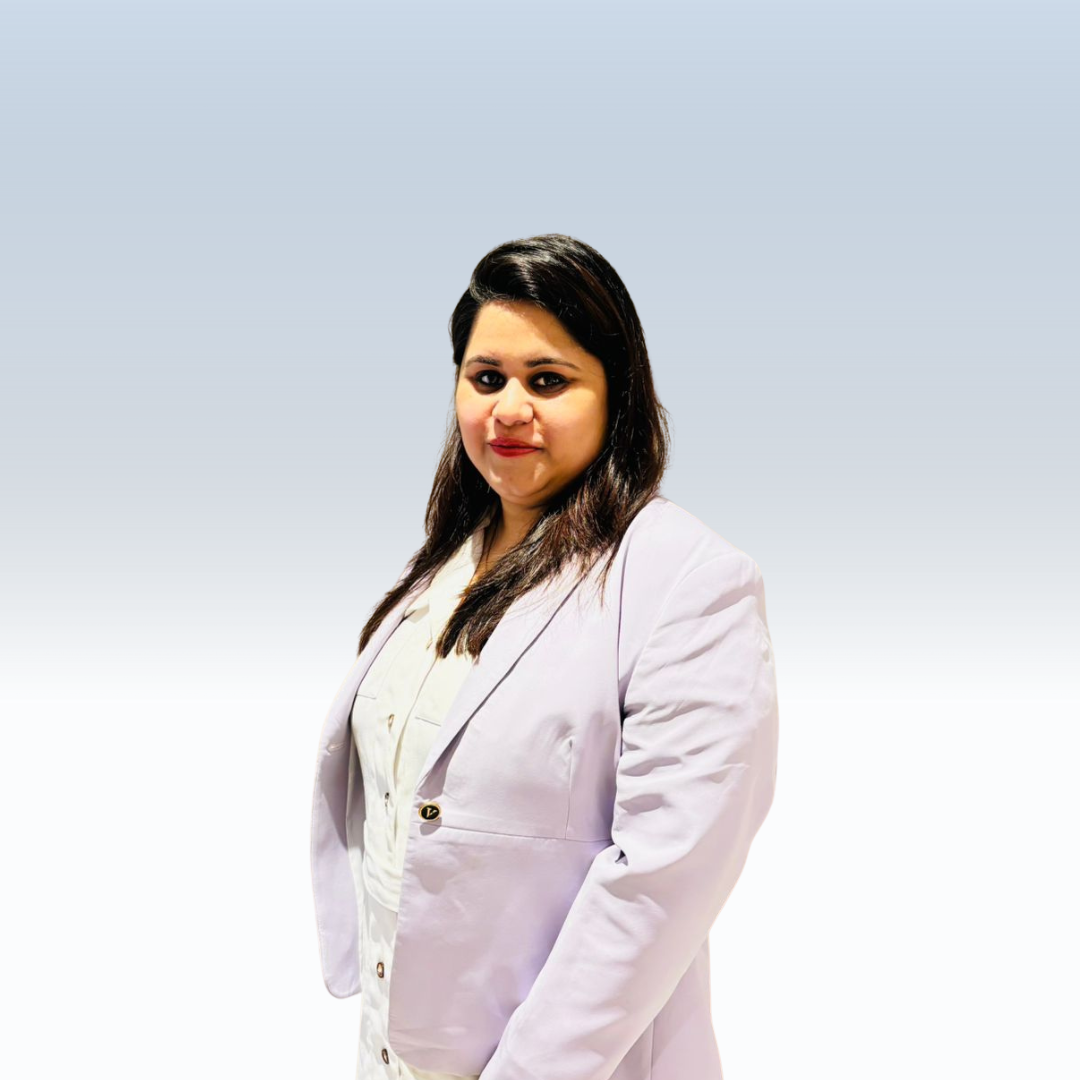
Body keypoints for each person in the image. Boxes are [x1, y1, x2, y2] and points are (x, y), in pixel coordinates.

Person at [310, 233, 780, 1080]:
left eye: (548, 380)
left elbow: (662, 878)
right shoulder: (441, 569)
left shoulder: (686, 580)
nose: (508, 408)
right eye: (486, 377)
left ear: (616, 393)